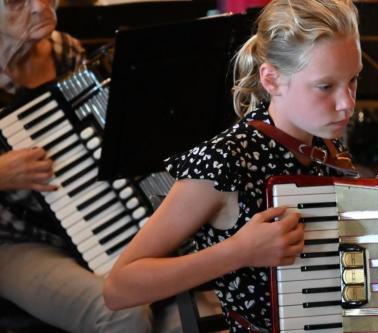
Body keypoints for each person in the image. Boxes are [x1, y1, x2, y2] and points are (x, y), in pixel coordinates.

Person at [103, 0, 362, 331]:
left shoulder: (328, 151)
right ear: (271, 80)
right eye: (326, 86)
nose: (347, 104)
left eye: (353, 80)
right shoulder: (225, 161)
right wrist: (239, 252)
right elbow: (118, 288)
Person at [0, 0, 153, 331]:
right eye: (16, 1)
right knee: (123, 311)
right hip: (13, 239)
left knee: (174, 298)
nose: (41, 7)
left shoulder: (64, 50)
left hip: (92, 216)